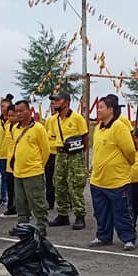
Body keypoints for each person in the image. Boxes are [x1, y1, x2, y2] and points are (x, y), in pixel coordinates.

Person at [89, 95, 136, 250]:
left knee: (122, 212)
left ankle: (128, 238)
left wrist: (126, 165)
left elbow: (130, 151)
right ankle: (103, 236)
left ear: (110, 110)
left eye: (101, 107)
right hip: (98, 180)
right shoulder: (98, 128)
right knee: (101, 212)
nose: (98, 110)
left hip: (117, 180)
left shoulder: (119, 127)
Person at [46, 90, 89, 230]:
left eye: (58, 100)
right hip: (60, 154)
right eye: (54, 100)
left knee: (75, 184)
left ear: (66, 102)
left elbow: (85, 137)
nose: (54, 103)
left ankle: (80, 215)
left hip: (75, 155)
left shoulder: (77, 118)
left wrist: (81, 154)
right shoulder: (53, 120)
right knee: (59, 183)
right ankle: (62, 214)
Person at [9, 99, 51, 234]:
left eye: (21, 111)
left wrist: (37, 165)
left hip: (33, 172)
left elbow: (46, 151)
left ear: (29, 111)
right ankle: (23, 225)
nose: (19, 114)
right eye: (16, 111)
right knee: (20, 201)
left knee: (37, 201)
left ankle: (42, 225)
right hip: (18, 173)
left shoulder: (38, 128)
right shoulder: (15, 128)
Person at [0, 94, 15, 208]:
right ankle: (3, 197)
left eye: (5, 106)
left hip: (12, 153)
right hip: (2, 153)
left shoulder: (13, 121)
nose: (3, 108)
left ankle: (14, 198)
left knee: (12, 177)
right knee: (3, 176)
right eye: (1, 106)